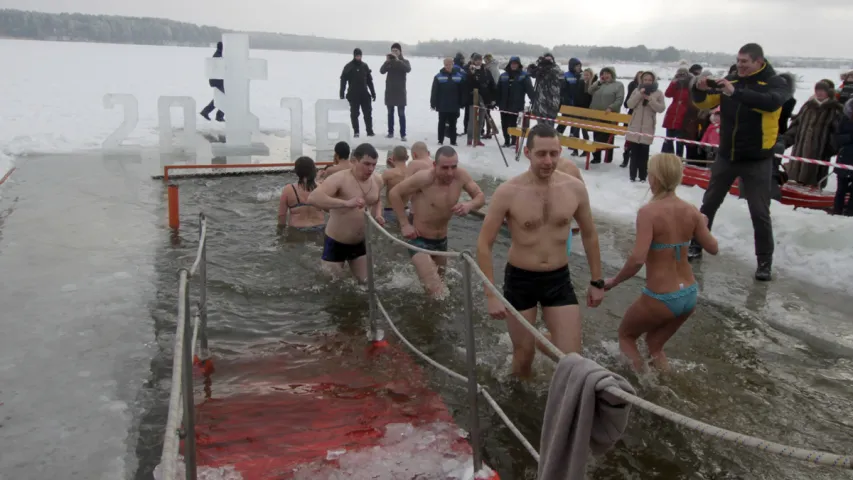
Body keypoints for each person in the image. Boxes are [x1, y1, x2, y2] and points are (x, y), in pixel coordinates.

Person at [476, 124, 605, 378]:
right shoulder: (508, 192)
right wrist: (491, 294)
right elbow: (484, 243)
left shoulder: (574, 189)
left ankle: (562, 403)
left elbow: (589, 234)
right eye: (541, 154)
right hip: (521, 279)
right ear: (528, 153)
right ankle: (518, 408)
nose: (548, 161)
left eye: (554, 154)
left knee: (573, 361)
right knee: (523, 359)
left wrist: (597, 281)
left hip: (558, 278)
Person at [605, 154, 718, 372]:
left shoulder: (648, 212)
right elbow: (713, 248)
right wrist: (702, 223)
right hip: (689, 295)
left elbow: (637, 259)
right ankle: (665, 383)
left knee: (626, 336)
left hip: (662, 297)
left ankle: (640, 391)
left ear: (654, 178)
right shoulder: (691, 210)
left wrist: (614, 281)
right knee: (654, 346)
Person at [689, 43, 790, 281]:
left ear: (758, 61)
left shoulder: (775, 83)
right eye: (738, 60)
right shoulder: (732, 80)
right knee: (709, 204)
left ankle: (764, 262)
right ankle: (696, 244)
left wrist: (735, 92)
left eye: (745, 61)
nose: (740, 65)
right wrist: (700, 89)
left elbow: (771, 102)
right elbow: (703, 104)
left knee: (759, 212)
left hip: (757, 158)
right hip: (727, 155)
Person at [388, 146, 485, 297]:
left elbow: (480, 196)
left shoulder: (461, 176)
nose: (450, 172)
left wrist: (469, 205)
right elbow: (394, 194)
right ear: (434, 165)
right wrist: (405, 224)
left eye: (454, 166)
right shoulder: (424, 178)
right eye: (445, 168)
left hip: (441, 241)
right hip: (419, 240)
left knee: (439, 287)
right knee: (437, 292)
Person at [307, 143, 385, 282]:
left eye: (374, 164)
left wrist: (378, 214)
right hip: (336, 242)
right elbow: (313, 198)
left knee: (367, 285)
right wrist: (345, 203)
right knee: (334, 287)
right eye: (366, 164)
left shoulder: (377, 179)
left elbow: (377, 199)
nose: (371, 169)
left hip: (359, 243)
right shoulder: (340, 179)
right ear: (354, 161)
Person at [625, 72, 666, 182]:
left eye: (650, 80)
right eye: (645, 79)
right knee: (633, 153)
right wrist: (639, 95)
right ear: (641, 80)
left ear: (653, 81)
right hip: (635, 126)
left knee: (644, 154)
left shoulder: (658, 93)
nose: (647, 82)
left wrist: (650, 99)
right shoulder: (636, 90)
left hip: (648, 126)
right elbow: (629, 104)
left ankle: (643, 176)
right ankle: (632, 175)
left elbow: (661, 108)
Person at [278, 156, 326, 232]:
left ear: (296, 171)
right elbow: (331, 210)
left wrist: (280, 232)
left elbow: (281, 215)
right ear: (313, 170)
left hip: (297, 230)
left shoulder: (288, 189)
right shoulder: (322, 187)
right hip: (319, 228)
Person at [496, 56, 534, 148]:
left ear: (518, 65)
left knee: (513, 123)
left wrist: (533, 100)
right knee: (504, 123)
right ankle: (506, 140)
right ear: (510, 64)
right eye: (512, 64)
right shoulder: (503, 75)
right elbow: (498, 90)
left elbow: (529, 90)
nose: (513, 65)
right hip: (504, 105)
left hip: (516, 105)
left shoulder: (524, 76)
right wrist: (496, 101)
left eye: (515, 64)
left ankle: (514, 141)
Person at [339, 48, 377, 138]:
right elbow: (343, 80)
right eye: (357, 56)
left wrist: (373, 93)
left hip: (364, 94)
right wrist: (342, 93)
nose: (358, 57)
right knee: (354, 114)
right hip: (353, 94)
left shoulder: (364, 66)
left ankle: (369, 131)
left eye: (359, 56)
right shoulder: (349, 66)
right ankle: (356, 131)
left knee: (368, 113)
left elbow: (369, 81)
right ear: (354, 56)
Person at [431, 58, 465, 146]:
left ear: (452, 64)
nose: (448, 66)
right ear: (444, 65)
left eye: (449, 64)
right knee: (441, 123)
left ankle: (453, 141)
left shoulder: (459, 76)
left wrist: (462, 103)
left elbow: (462, 91)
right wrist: (433, 103)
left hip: (454, 105)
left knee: (453, 124)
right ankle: (440, 140)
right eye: (446, 64)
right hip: (442, 105)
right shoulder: (438, 76)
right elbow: (434, 91)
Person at [380, 42, 411, 141]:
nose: (394, 52)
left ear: (400, 51)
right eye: (392, 50)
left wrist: (398, 61)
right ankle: (390, 132)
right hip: (390, 92)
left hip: (400, 92)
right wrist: (386, 62)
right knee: (390, 113)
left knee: (401, 114)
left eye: (396, 51)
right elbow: (381, 71)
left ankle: (403, 134)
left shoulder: (404, 61)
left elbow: (408, 69)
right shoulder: (389, 62)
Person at [833, 99, 853, 216]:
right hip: (844, 158)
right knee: (841, 189)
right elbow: (836, 138)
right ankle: (837, 211)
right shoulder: (844, 119)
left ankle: (850, 213)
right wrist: (850, 137)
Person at [381, 146, 410, 224]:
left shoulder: (388, 173)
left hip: (390, 211)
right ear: (407, 157)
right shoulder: (411, 173)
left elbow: (376, 190)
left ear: (393, 157)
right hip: (406, 211)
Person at [200, 42, 225, 122]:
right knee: (224, 97)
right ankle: (218, 115)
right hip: (217, 80)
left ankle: (210, 113)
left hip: (216, 80)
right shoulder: (218, 56)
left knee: (221, 97)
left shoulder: (218, 54)